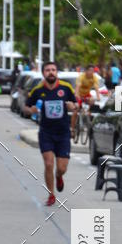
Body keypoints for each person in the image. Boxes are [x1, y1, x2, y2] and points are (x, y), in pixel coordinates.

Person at [23, 61, 76, 206]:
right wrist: (31, 110)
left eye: (53, 69)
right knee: (48, 164)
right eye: (48, 70)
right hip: (46, 132)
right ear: (43, 73)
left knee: (61, 168)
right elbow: (26, 107)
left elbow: (75, 104)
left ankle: (59, 176)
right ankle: (51, 194)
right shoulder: (37, 91)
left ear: (57, 72)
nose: (51, 72)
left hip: (63, 133)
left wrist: (73, 106)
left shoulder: (66, 88)